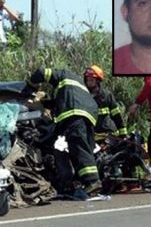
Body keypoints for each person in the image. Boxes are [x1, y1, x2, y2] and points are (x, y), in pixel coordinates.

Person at [27, 67, 101, 195]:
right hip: (88, 114)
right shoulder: (73, 87)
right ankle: (86, 181)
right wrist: (44, 103)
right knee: (84, 147)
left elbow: (40, 72)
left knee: (78, 147)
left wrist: (30, 86)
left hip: (75, 113)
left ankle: (93, 181)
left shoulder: (63, 74)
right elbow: (59, 103)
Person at [84, 65, 127, 141]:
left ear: (97, 81)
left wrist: (123, 134)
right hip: (92, 136)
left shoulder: (107, 95)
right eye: (87, 80)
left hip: (108, 134)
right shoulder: (84, 95)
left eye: (91, 80)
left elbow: (116, 115)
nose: (89, 83)